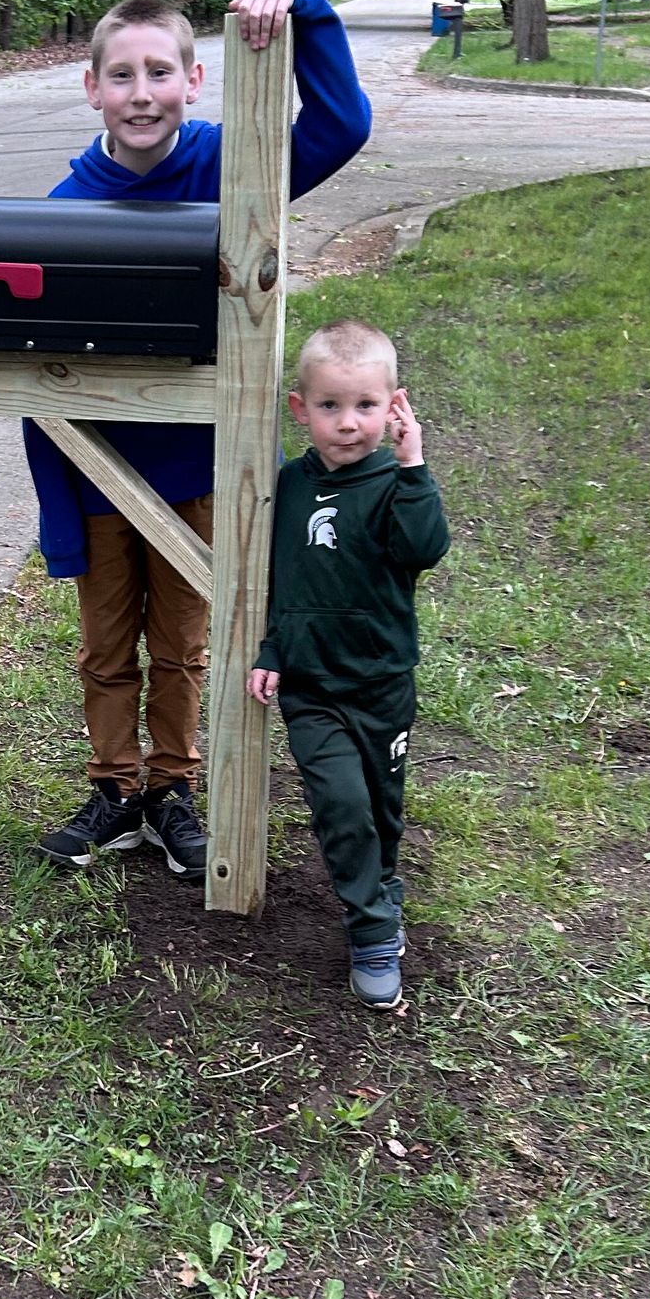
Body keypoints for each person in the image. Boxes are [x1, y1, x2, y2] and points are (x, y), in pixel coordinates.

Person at [28, 0, 373, 880]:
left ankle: (172, 787)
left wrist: (306, 4)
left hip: (200, 468)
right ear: (92, 87)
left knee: (181, 645)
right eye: (123, 76)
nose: (141, 94)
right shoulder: (64, 211)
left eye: (159, 73)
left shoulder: (238, 162)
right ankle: (116, 791)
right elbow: (39, 380)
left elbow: (342, 127)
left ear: (192, 80)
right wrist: (58, 515)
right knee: (106, 647)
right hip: (100, 471)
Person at [248, 319, 449, 1009]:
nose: (348, 423)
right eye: (330, 406)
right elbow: (285, 580)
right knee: (341, 805)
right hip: (313, 688)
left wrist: (414, 464)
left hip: (383, 684)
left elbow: (425, 549)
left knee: (381, 813)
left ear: (393, 405)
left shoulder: (397, 487)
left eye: (366, 406)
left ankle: (379, 887)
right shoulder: (290, 488)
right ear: (301, 409)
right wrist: (273, 650)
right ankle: (371, 931)